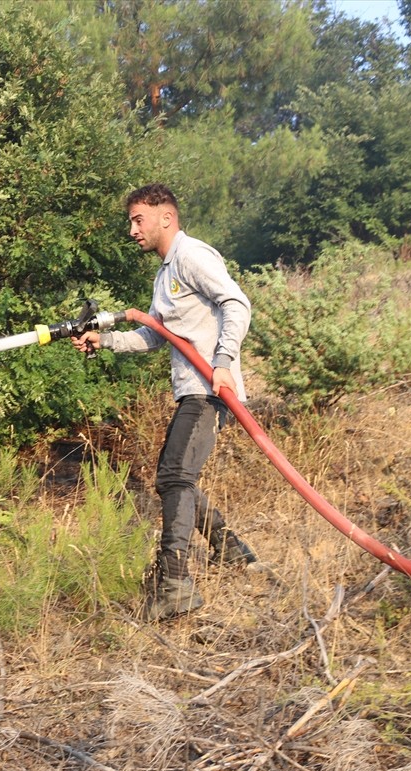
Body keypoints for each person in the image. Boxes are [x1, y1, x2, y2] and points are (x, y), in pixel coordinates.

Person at [73, 183, 256, 621]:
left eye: (138, 219)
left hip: (210, 389)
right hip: (193, 388)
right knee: (177, 476)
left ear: (165, 217)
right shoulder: (164, 274)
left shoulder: (192, 256)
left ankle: (175, 584)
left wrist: (225, 360)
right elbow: (157, 332)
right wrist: (108, 340)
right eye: (131, 221)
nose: (131, 229)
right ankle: (231, 551)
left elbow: (237, 302)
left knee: (174, 475)